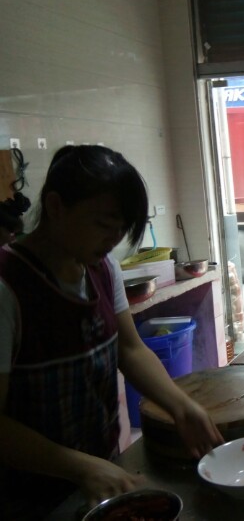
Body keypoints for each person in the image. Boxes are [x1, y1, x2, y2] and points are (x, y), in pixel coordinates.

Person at [0, 145, 224, 519]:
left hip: (97, 478)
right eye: (104, 225)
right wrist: (81, 467)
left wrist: (181, 406)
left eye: (121, 230)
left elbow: (130, 350)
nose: (113, 241)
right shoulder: (8, 285)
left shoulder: (103, 270)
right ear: (55, 207)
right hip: (28, 498)